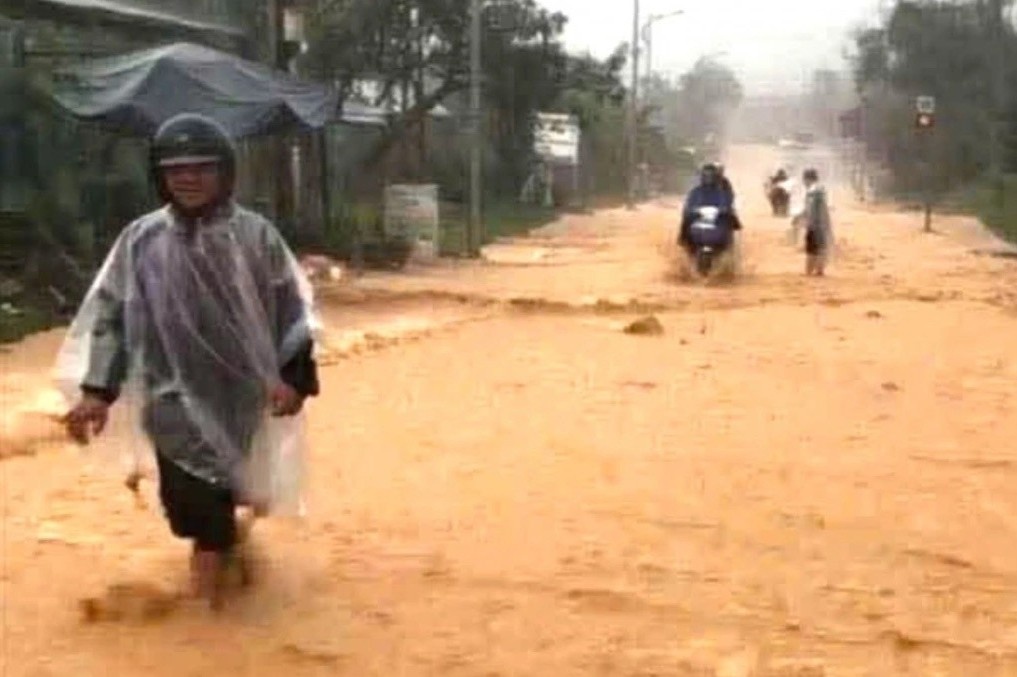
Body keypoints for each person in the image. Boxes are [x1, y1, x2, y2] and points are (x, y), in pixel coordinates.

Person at [57, 113, 320, 609]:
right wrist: (97, 391)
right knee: (188, 502)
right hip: (168, 397)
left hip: (238, 394)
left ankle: (205, 614)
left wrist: (294, 377)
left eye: (202, 168)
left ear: (225, 172)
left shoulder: (255, 236)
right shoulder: (142, 240)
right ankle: (215, 580)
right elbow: (112, 315)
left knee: (220, 493)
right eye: (176, 169)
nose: (189, 178)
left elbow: (294, 311)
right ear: (160, 176)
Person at [679, 162, 740, 253]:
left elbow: (728, 198)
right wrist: (690, 209)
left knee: (729, 218)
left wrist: (725, 208)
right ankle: (683, 239)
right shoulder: (696, 190)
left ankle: (729, 245)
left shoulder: (723, 188)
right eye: (706, 176)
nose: (708, 178)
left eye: (710, 176)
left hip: (718, 215)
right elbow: (690, 201)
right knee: (687, 219)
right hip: (701, 215)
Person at [801, 167, 832, 276]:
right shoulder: (820, 190)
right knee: (821, 247)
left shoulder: (813, 192)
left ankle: (810, 271)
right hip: (821, 224)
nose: (803, 182)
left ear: (808, 179)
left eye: (804, 179)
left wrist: (809, 223)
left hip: (815, 225)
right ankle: (819, 270)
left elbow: (811, 210)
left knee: (812, 249)